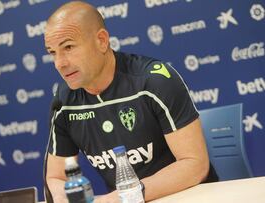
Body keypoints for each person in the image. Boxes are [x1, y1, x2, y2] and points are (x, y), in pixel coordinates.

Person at [44, 1, 218, 202]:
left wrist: (121, 197)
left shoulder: (154, 81)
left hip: (187, 196)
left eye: (68, 47)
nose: (60, 63)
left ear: (101, 40)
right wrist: (63, 197)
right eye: (52, 52)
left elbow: (195, 165)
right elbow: (56, 177)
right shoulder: (64, 102)